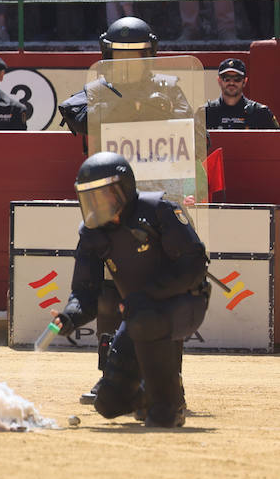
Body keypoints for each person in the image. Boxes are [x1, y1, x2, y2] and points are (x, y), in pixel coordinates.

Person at [51, 151, 210, 428]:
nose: (95, 203)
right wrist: (70, 317)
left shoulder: (159, 210)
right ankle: (148, 399)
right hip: (139, 312)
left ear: (123, 190)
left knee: (146, 320)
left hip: (185, 303)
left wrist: (147, 294)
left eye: (103, 194)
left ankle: (169, 405)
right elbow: (85, 291)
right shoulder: (92, 233)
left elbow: (193, 265)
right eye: (90, 196)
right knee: (109, 402)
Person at [205, 57, 280, 128]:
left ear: (245, 81)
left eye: (237, 79)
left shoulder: (260, 113)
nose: (231, 83)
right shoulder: (206, 113)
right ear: (219, 81)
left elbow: (276, 139)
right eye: (226, 78)